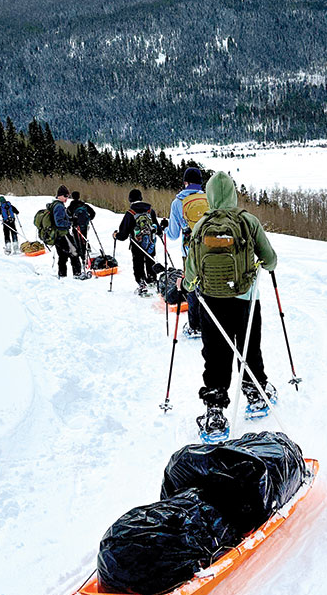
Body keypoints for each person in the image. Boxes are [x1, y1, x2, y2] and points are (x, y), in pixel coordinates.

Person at [181, 171, 278, 441]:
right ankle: (256, 394)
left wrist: (188, 286)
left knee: (215, 354)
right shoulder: (248, 221)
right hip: (245, 297)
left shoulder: (201, 225)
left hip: (211, 301)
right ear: (233, 194)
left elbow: (191, 272)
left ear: (209, 197)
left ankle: (214, 412)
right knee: (248, 347)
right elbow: (270, 260)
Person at [168, 166, 208, 337]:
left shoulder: (178, 202)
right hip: (210, 247)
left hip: (189, 251)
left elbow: (172, 235)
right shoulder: (209, 199)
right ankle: (212, 320)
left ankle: (195, 326)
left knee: (192, 283)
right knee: (209, 281)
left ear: (185, 182)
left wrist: (165, 229)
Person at [113, 189, 161, 296]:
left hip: (137, 244)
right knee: (150, 260)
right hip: (150, 243)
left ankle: (141, 283)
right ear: (141, 198)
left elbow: (123, 234)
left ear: (130, 199)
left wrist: (116, 235)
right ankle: (152, 279)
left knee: (138, 263)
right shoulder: (150, 211)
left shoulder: (130, 213)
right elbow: (158, 229)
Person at [51, 185, 86, 278]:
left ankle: (62, 275)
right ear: (60, 196)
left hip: (57, 235)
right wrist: (69, 223)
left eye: (68, 196)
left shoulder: (56, 204)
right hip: (62, 234)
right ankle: (77, 274)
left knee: (62, 256)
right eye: (65, 196)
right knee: (74, 252)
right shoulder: (59, 206)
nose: (67, 198)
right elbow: (59, 222)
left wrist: (70, 219)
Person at [67, 190, 96, 264]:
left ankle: (81, 254)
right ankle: (86, 250)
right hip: (84, 225)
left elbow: (67, 216)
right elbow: (93, 213)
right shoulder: (84, 205)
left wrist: (72, 221)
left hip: (76, 226)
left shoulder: (71, 206)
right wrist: (88, 219)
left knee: (77, 239)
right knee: (84, 237)